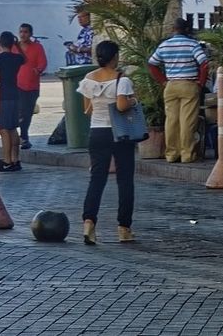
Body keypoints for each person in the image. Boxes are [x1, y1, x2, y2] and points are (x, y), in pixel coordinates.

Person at [78, 39, 138, 245]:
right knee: (125, 180)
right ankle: (124, 228)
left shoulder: (88, 79)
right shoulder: (122, 79)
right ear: (115, 57)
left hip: (97, 132)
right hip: (120, 133)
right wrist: (133, 101)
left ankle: (89, 222)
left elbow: (87, 110)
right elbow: (121, 106)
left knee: (97, 178)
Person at [147, 18, 209, 164]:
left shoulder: (164, 45)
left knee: (171, 121)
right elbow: (204, 64)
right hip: (189, 85)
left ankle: (171, 154)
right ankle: (187, 154)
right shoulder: (192, 44)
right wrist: (201, 82)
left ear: (173, 29)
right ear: (186, 29)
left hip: (171, 86)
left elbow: (152, 64)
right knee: (188, 121)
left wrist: (163, 81)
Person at [0, 31, 25, 171]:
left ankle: (7, 160)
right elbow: (24, 58)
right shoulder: (17, 58)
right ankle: (16, 159)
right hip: (15, 95)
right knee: (13, 128)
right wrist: (18, 45)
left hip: (2, 96)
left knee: (3, 129)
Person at [15, 23, 48, 150]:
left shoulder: (37, 47)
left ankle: (24, 136)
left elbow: (43, 62)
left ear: (31, 34)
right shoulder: (14, 47)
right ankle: (22, 137)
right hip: (17, 84)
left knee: (27, 113)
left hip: (32, 86)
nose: (23, 34)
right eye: (21, 32)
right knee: (20, 111)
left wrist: (38, 70)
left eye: (26, 32)